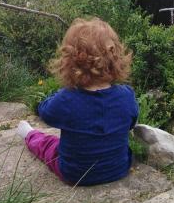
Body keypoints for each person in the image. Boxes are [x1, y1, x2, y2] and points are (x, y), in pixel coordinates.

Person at [17, 18, 138, 186]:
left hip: (74, 174)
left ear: (69, 62)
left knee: (50, 145)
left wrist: (58, 94)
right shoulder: (127, 95)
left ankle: (29, 134)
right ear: (115, 59)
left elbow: (46, 113)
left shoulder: (67, 99)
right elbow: (131, 124)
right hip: (119, 168)